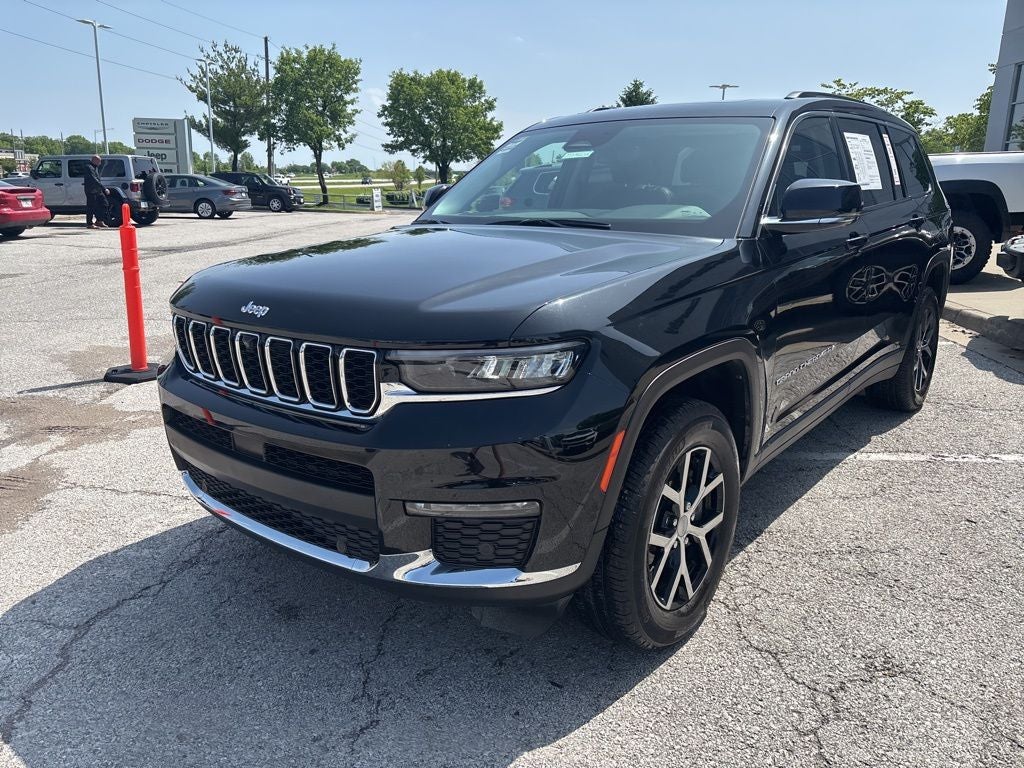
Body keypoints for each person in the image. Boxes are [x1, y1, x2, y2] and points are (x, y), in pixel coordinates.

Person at [83, 155, 109, 229]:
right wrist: (104, 188)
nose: (100, 163)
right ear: (94, 160)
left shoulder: (95, 167)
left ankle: (99, 220)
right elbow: (94, 179)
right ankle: (89, 224)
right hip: (91, 190)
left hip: (98, 190)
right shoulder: (88, 167)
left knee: (105, 204)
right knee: (91, 207)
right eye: (99, 161)